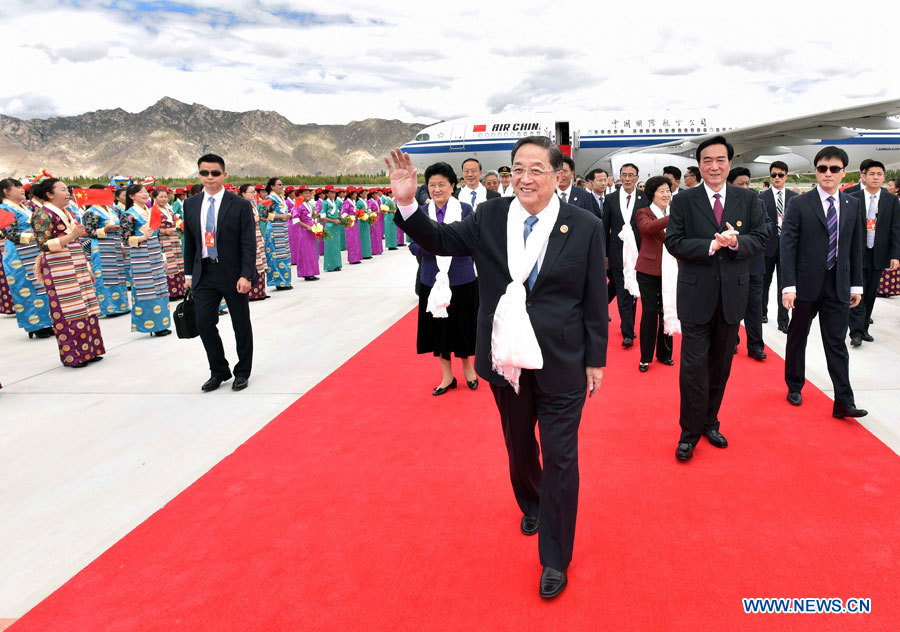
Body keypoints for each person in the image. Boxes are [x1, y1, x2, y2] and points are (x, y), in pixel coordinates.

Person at [387, 135, 608, 599]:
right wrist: (408, 204)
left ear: (558, 175)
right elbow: (441, 240)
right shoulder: (489, 216)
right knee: (518, 442)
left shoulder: (584, 224)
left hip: (562, 359)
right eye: (517, 169)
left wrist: (595, 359)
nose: (525, 178)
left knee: (561, 457)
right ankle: (532, 500)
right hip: (505, 356)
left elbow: (593, 295)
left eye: (536, 169)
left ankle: (555, 557)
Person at [664, 136, 767, 461]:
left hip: (732, 296)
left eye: (720, 160)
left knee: (721, 366)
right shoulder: (684, 200)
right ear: (699, 165)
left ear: (729, 163)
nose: (714, 166)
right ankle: (688, 433)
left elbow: (762, 236)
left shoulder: (747, 199)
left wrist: (735, 243)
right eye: (707, 160)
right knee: (693, 368)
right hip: (696, 296)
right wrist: (711, 245)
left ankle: (710, 421)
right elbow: (674, 241)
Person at [781, 146, 867, 419]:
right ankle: (795, 385)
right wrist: (788, 286)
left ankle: (844, 401)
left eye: (834, 169)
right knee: (797, 337)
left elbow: (855, 248)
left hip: (838, 284)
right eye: (822, 168)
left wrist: (856, 285)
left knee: (837, 343)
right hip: (805, 285)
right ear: (816, 171)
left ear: (843, 172)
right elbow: (787, 246)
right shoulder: (799, 203)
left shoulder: (852, 204)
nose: (827, 173)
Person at [183, 154, 256, 392]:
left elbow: (248, 243)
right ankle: (219, 370)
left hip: (233, 273)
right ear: (199, 175)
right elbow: (190, 242)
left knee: (240, 324)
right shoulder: (191, 204)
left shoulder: (240, 205)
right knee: (204, 322)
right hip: (204, 272)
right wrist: (188, 274)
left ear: (224, 175)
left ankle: (242, 372)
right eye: (204, 173)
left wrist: (246, 274)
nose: (209, 177)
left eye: (215, 173)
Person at [408, 162, 479, 394]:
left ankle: (468, 369)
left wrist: (438, 246)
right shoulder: (421, 213)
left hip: (461, 278)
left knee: (463, 326)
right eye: (432, 185)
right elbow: (413, 245)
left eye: (442, 184)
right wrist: (438, 248)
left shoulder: (465, 210)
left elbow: (471, 242)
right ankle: (447, 376)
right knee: (438, 329)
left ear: (452, 186)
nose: (436, 189)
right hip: (432, 279)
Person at [29, 178, 106, 367]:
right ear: (49, 194)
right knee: (69, 310)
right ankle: (74, 355)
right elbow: (43, 244)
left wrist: (87, 268)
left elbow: (76, 241)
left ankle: (89, 350)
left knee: (86, 307)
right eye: (63, 190)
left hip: (76, 264)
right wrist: (71, 236)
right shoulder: (42, 214)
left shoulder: (66, 212)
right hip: (59, 268)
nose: (68, 193)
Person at [848, 160, 900, 345]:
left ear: (884, 177)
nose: (875, 177)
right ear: (864, 176)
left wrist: (895, 255)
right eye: (871, 174)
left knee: (870, 293)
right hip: (856, 253)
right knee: (857, 290)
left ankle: (863, 329)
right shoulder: (852, 197)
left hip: (879, 254)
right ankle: (855, 332)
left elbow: (896, 229)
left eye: (879, 174)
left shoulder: (891, 200)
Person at [1, 178, 54, 337]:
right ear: (6, 191)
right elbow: (10, 233)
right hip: (18, 254)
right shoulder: (3, 209)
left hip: (33, 249)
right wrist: (34, 236)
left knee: (41, 286)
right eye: (17, 187)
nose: (21, 189)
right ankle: (34, 326)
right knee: (26, 288)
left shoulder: (24, 206)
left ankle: (46, 322)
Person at [603, 162, 649, 347]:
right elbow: (604, 228)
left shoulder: (644, 198)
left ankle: (628, 325)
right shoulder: (611, 198)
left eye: (631, 175)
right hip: (616, 251)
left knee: (633, 290)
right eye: (624, 175)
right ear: (620, 177)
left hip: (638, 252)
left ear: (637, 177)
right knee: (622, 290)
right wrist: (605, 255)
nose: (627, 178)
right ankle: (627, 331)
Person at [727, 167, 770, 360]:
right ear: (730, 184)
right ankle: (731, 341)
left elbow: (768, 227)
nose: (745, 187)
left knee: (754, 307)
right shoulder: (724, 205)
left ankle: (755, 346)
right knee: (731, 306)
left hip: (754, 264)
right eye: (740, 184)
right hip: (731, 264)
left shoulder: (758, 203)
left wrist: (746, 239)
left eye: (747, 183)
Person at [120, 184, 172, 337]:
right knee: (147, 289)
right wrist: (143, 237)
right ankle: (150, 324)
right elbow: (125, 239)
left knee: (161, 288)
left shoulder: (150, 211)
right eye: (140, 192)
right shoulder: (128, 214)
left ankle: (162, 323)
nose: (144, 194)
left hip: (155, 252)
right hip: (140, 255)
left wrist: (163, 256)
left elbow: (158, 236)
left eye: (145, 192)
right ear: (131, 196)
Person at [635, 176, 675, 372]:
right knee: (650, 312)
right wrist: (673, 216)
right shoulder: (644, 212)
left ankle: (665, 353)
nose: (666, 194)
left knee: (667, 310)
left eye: (668, 190)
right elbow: (648, 228)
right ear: (652, 194)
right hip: (648, 271)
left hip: (671, 270)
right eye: (662, 191)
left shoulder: (673, 212)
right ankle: (645, 356)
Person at [759, 161, 798, 333]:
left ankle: (783, 320)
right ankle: (762, 313)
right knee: (763, 283)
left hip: (788, 249)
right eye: (774, 175)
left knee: (785, 285)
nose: (777, 178)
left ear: (786, 176)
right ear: (770, 177)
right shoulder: (761, 197)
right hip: (767, 247)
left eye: (780, 175)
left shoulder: (794, 198)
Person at [81, 184, 130, 317]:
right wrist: (106, 229)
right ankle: (109, 307)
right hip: (101, 245)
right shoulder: (90, 212)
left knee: (118, 275)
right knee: (104, 276)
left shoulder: (112, 209)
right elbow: (88, 232)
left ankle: (122, 305)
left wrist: (121, 245)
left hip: (115, 243)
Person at [152, 188, 187, 299]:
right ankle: (171, 292)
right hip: (164, 240)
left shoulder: (169, 210)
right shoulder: (153, 211)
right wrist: (164, 231)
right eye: (161, 197)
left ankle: (180, 290)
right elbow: (152, 228)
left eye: (165, 197)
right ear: (155, 198)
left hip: (174, 239)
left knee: (178, 263)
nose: (164, 199)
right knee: (169, 264)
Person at [239, 184, 268, 300]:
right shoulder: (241, 206)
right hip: (250, 234)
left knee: (260, 261)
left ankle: (261, 291)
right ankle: (253, 293)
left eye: (254, 192)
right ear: (243, 194)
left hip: (257, 233)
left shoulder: (253, 204)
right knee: (254, 260)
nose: (253, 194)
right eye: (251, 192)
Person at [262, 178, 292, 290]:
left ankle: (285, 281)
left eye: (282, 184)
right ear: (272, 187)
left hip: (282, 228)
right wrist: (281, 216)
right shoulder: (269, 198)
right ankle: (278, 281)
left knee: (284, 254)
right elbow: (264, 214)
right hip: (274, 229)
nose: (281, 186)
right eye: (279, 184)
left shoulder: (281, 198)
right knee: (275, 255)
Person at [292, 185, 321, 280]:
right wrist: (307, 226)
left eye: (309, 192)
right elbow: (295, 219)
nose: (308, 194)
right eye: (305, 193)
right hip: (304, 231)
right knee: (305, 251)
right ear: (300, 194)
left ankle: (312, 272)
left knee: (311, 251)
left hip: (311, 231)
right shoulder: (298, 205)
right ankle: (306, 273)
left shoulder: (309, 205)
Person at [879, 178, 900, 296]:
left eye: (891, 185)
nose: (887, 187)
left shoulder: (896, 201)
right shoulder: (886, 199)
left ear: (897, 189)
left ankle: (889, 289)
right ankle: (883, 289)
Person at [321, 186, 343, 271]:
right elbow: (323, 217)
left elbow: (336, 213)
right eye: (331, 193)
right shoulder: (325, 203)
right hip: (330, 226)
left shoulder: (335, 202)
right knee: (330, 245)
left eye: (334, 193)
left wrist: (341, 218)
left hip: (336, 226)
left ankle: (336, 264)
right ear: (327, 194)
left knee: (336, 245)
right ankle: (330, 265)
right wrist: (333, 220)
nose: (333, 194)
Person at [342, 187, 363, 264]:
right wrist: (352, 217)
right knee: (351, 241)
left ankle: (357, 257)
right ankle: (352, 258)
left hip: (355, 223)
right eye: (354, 194)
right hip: (350, 224)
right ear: (350, 194)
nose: (356, 195)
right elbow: (343, 213)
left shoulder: (353, 202)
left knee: (356, 240)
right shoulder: (346, 202)